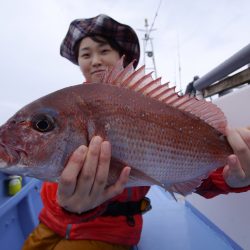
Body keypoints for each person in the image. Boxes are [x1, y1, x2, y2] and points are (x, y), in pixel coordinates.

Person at [22, 14, 250, 250]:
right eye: (86, 54)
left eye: (104, 51)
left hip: (109, 233)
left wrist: (230, 176)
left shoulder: (142, 102)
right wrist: (66, 205)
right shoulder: (66, 108)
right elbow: (50, 178)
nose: (96, 60)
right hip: (51, 221)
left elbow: (191, 172)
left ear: (122, 57)